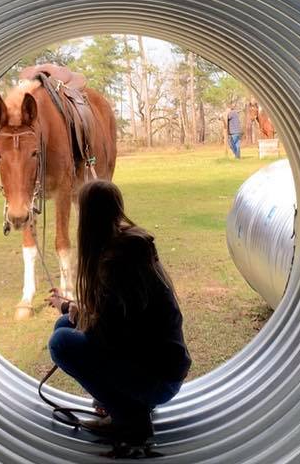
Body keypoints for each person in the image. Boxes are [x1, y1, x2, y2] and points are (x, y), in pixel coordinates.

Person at [45, 180, 191, 445]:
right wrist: (70, 309)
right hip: (160, 367)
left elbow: (109, 336)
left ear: (88, 220)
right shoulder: (127, 246)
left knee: (60, 343)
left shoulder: (116, 264)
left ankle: (131, 419)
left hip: (157, 378)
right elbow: (120, 321)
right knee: (63, 325)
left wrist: (77, 313)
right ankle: (125, 402)